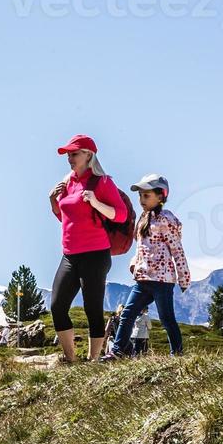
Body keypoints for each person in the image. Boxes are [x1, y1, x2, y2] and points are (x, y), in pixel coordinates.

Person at [48, 135, 130, 363]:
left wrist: (95, 202)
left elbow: (121, 215)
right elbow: (68, 219)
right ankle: (71, 359)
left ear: (88, 155)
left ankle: (93, 360)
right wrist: (54, 203)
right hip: (70, 255)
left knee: (92, 307)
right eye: (68, 155)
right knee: (57, 306)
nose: (69, 159)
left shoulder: (102, 182)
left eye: (74, 154)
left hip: (95, 254)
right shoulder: (67, 182)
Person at [107, 174, 190, 359]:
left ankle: (177, 354)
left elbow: (176, 249)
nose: (141, 200)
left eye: (146, 195)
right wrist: (134, 263)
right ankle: (118, 351)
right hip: (143, 279)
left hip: (162, 280)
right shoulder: (143, 219)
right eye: (140, 196)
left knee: (166, 318)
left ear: (161, 196)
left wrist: (184, 277)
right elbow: (140, 248)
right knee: (128, 313)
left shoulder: (166, 220)